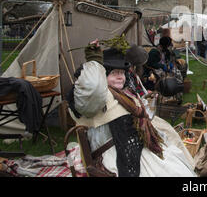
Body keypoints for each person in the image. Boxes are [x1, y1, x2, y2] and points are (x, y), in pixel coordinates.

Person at [67, 41, 197, 177]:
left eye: (122, 73)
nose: (120, 77)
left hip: (132, 146)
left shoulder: (121, 95)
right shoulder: (97, 98)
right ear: (101, 76)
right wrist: (94, 59)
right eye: (114, 73)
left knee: (173, 160)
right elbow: (93, 87)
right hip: (114, 155)